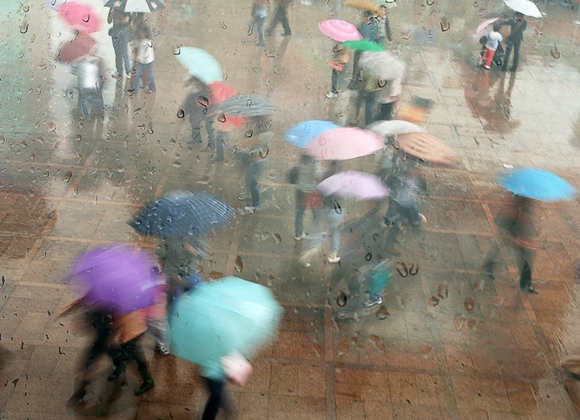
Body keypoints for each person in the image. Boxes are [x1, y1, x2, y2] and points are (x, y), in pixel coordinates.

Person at [482, 194, 539, 294]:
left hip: (516, 222)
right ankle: (525, 284)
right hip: (513, 222)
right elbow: (515, 208)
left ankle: (489, 264)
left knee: (509, 246)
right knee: (524, 251)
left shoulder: (525, 192)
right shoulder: (523, 194)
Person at [381, 151, 426, 256]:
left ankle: (394, 237)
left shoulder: (407, 166)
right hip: (398, 200)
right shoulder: (403, 167)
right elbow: (393, 181)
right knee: (395, 223)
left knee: (401, 220)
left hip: (403, 199)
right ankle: (389, 246)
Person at [236, 116, 273, 214]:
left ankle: (256, 204)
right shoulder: (260, 132)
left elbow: (250, 141)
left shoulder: (266, 134)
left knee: (252, 182)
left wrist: (246, 141)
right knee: (248, 181)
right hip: (254, 160)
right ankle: (250, 196)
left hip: (257, 161)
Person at [180, 78, 216, 149]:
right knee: (193, 121)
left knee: (208, 126)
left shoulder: (209, 86)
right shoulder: (198, 89)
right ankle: (196, 139)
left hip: (207, 108)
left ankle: (211, 145)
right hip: (199, 105)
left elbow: (211, 99)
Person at [71, 54, 105, 120]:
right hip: (94, 86)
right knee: (94, 99)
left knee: (83, 101)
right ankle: (99, 110)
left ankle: (86, 115)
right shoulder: (94, 67)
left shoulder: (81, 66)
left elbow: (76, 73)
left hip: (84, 86)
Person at [129, 25, 156, 94]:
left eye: (142, 32)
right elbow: (134, 46)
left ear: (145, 33)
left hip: (147, 61)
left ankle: (152, 88)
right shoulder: (139, 40)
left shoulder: (148, 42)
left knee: (148, 75)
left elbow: (145, 53)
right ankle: (135, 90)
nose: (141, 34)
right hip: (141, 61)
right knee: (137, 74)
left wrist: (138, 57)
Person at [107, 8, 132, 80]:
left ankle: (128, 71)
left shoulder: (124, 8)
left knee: (124, 52)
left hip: (123, 31)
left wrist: (118, 16)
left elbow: (127, 20)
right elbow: (109, 21)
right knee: (117, 53)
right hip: (115, 32)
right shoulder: (112, 8)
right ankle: (119, 71)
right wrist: (111, 15)